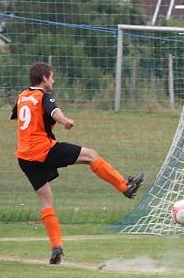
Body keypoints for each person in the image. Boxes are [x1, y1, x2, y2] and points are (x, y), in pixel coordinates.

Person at [11, 62, 146, 264]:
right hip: (44, 149)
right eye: (52, 77)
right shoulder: (44, 96)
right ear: (44, 78)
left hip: (24, 157)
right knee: (91, 155)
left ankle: (56, 246)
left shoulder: (22, 96)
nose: (53, 81)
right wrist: (65, 121)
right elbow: (53, 111)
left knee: (46, 202)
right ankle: (124, 186)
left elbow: (16, 114)